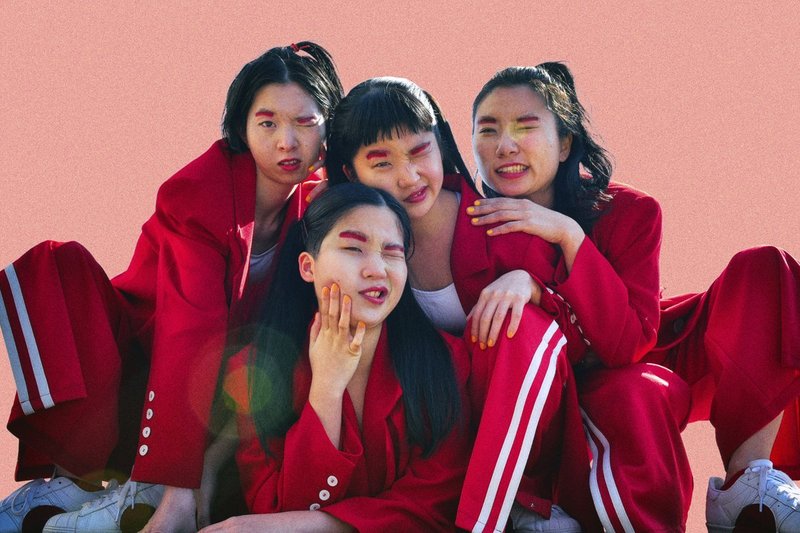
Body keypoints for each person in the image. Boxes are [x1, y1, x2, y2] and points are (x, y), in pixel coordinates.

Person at [0, 41, 343, 533]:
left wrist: (210, 465)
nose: (287, 141)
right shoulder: (199, 192)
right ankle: (84, 483)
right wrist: (178, 492)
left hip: (225, 387)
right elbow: (189, 334)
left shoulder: (321, 203)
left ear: (327, 128)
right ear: (242, 127)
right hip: (140, 366)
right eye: (267, 123)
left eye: (304, 123)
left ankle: (152, 486)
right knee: (61, 265)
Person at [467, 63, 800, 532]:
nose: (505, 145)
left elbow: (630, 342)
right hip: (559, 381)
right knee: (639, 388)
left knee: (766, 267)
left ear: (565, 144)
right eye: (488, 130)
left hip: (638, 342)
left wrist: (568, 236)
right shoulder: (472, 225)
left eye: (525, 126)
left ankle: (747, 486)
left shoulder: (631, 211)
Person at [326, 77, 602, 532]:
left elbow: (577, 345)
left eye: (419, 152)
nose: (408, 177)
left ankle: (509, 509)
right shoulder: (345, 248)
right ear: (351, 174)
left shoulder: (502, 227)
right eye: (382, 163)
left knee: (521, 325)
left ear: (441, 143)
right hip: (430, 436)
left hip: (524, 441)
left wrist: (533, 287)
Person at [202, 182, 471, 532]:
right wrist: (326, 391)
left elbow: (438, 505)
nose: (377, 269)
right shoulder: (257, 371)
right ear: (308, 267)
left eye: (392, 253)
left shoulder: (446, 360)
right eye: (353, 248)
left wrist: (325, 524)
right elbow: (277, 507)